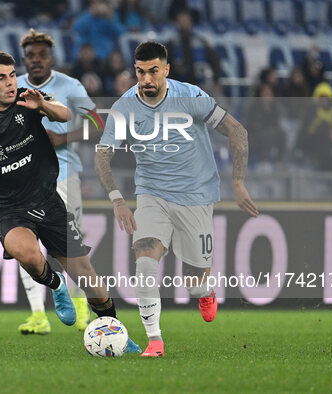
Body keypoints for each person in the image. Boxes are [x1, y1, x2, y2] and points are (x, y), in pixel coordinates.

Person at [0, 50, 141, 353]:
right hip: (6, 208)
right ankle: (56, 285)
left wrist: (42, 104)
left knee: (90, 281)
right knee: (26, 252)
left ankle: (119, 334)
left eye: (10, 75)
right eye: (0, 78)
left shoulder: (28, 97)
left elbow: (66, 114)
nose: (9, 83)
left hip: (47, 200)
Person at [94, 42, 258, 357]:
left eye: (153, 71)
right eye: (140, 72)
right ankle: (155, 341)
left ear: (166, 70)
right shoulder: (124, 107)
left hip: (196, 195)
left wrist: (237, 181)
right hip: (151, 193)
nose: (146, 80)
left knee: (194, 281)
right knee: (144, 262)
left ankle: (204, 291)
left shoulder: (191, 97)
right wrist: (117, 199)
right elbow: (102, 156)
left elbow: (238, 132)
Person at [16, 29, 94, 334]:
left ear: (52, 58)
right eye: (31, 56)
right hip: (22, 178)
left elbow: (99, 125)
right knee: (27, 245)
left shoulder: (71, 87)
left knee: (69, 244)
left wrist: (65, 136)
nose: (36, 60)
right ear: (24, 59)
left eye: (42, 55)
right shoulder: (13, 86)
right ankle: (38, 314)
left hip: (64, 174)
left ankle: (80, 304)